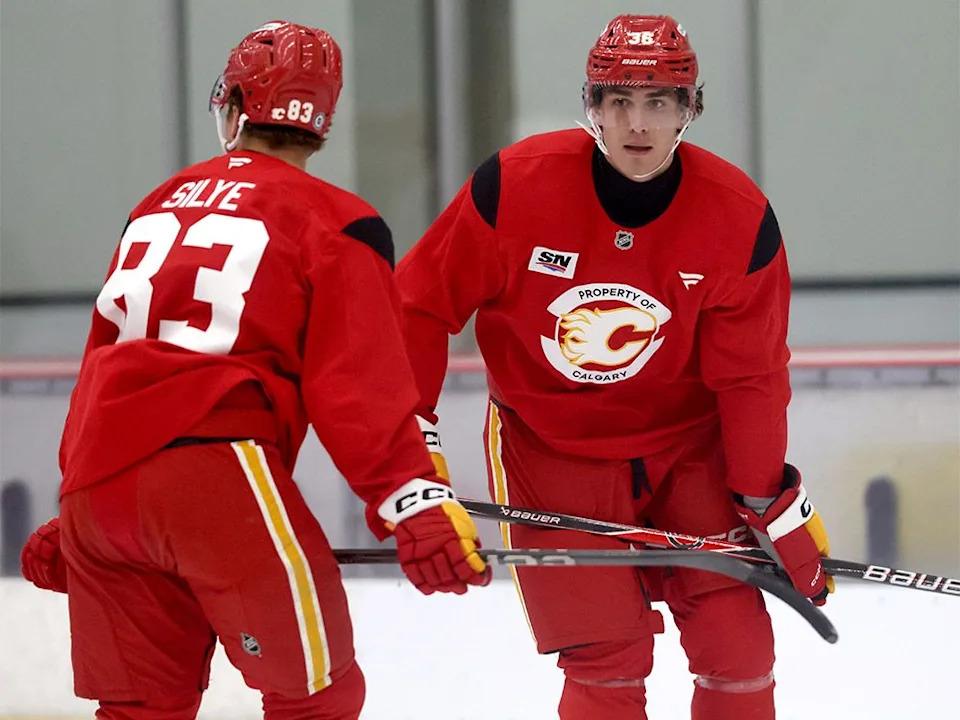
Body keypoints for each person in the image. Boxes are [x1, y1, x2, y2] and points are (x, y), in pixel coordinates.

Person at [19, 20, 489, 720]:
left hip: (98, 482)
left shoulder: (156, 203)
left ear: (234, 107)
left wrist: (73, 506)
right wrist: (412, 502)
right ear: (321, 125)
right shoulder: (338, 220)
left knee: (142, 707)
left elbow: (106, 359)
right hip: (213, 475)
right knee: (319, 695)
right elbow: (357, 385)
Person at [395, 13, 833, 720]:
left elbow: (750, 379)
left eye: (659, 101)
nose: (637, 122)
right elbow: (415, 309)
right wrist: (413, 472)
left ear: (691, 109)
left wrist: (765, 501)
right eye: (618, 99)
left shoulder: (738, 218)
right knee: (608, 665)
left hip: (687, 452)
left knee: (739, 653)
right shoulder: (513, 187)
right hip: (550, 451)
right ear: (590, 105)